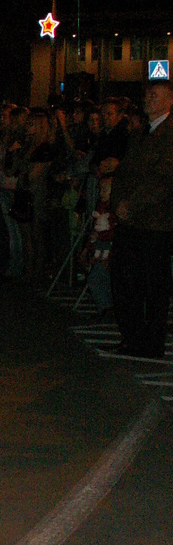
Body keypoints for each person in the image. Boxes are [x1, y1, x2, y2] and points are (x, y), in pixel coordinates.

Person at [105, 80, 173, 359]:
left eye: (155, 96)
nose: (148, 100)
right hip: (132, 221)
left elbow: (163, 182)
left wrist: (130, 205)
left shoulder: (168, 134)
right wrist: (116, 201)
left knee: (152, 286)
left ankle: (151, 342)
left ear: (169, 100)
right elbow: (128, 171)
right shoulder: (142, 132)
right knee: (125, 281)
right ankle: (133, 337)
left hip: (154, 223)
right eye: (147, 95)